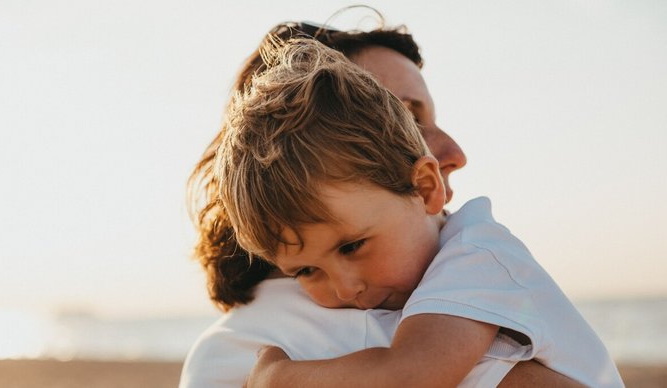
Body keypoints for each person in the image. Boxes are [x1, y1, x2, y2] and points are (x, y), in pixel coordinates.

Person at [181, 21, 589, 388]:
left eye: (352, 246)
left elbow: (411, 372)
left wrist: (280, 377)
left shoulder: (472, 256)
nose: (457, 152)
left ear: (424, 186)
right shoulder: (306, 333)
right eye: (405, 118)